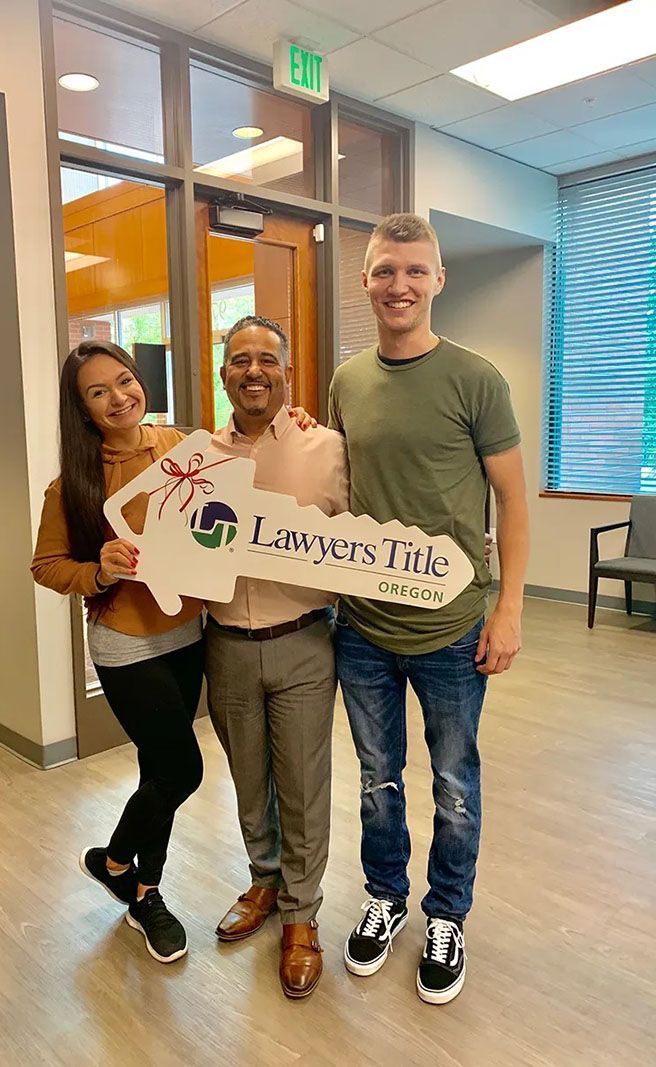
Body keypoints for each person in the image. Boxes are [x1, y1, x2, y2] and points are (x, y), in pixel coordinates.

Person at [329, 213, 529, 1004]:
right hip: (364, 629)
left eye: (415, 271)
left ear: (438, 280)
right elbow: (338, 484)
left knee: (453, 781)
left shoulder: (476, 378)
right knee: (379, 779)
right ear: (367, 281)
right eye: (384, 271)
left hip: (452, 627)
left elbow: (512, 501)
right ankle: (385, 897)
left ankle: (447, 912)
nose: (399, 285)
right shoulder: (348, 380)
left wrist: (508, 608)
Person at [31, 340, 205, 965]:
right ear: (81, 410)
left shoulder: (182, 446)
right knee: (183, 771)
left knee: (157, 772)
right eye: (97, 392)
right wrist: (99, 573)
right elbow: (46, 565)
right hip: (126, 644)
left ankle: (142, 891)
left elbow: (234, 497)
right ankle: (115, 862)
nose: (118, 397)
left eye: (124, 381)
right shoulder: (72, 485)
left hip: (189, 633)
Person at [204, 315, 349, 999]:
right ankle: (264, 881)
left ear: (288, 372)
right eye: (240, 360)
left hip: (303, 641)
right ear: (223, 373)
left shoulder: (328, 447)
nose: (253, 370)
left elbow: (364, 540)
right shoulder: (198, 457)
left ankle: (301, 915)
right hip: (226, 646)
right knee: (248, 778)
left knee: (303, 785)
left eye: (267, 358)